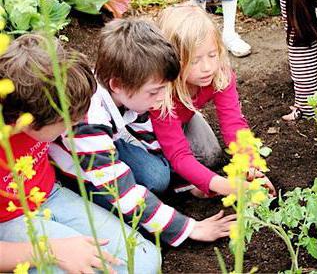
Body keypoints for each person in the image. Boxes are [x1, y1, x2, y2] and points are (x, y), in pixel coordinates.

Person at [49, 18, 235, 248]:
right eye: (155, 91)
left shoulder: (133, 91)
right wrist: (190, 228)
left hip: (109, 143)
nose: (162, 97)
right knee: (133, 200)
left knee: (158, 175)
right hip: (80, 171)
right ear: (116, 84)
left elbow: (154, 144)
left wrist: (191, 185)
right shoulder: (87, 123)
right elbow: (123, 193)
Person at [0, 34, 160, 273]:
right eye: (67, 121)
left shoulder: (34, 96)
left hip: (49, 194)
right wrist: (49, 250)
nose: (76, 124)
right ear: (29, 122)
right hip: (7, 222)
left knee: (145, 260)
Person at [151, 4, 275, 197]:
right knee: (158, 175)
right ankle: (184, 187)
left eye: (212, 55)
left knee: (210, 156)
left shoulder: (219, 76)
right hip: (143, 131)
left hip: (182, 119)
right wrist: (224, 186)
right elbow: (179, 155)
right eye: (194, 60)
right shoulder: (160, 93)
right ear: (172, 60)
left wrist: (251, 168)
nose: (207, 67)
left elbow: (233, 124)